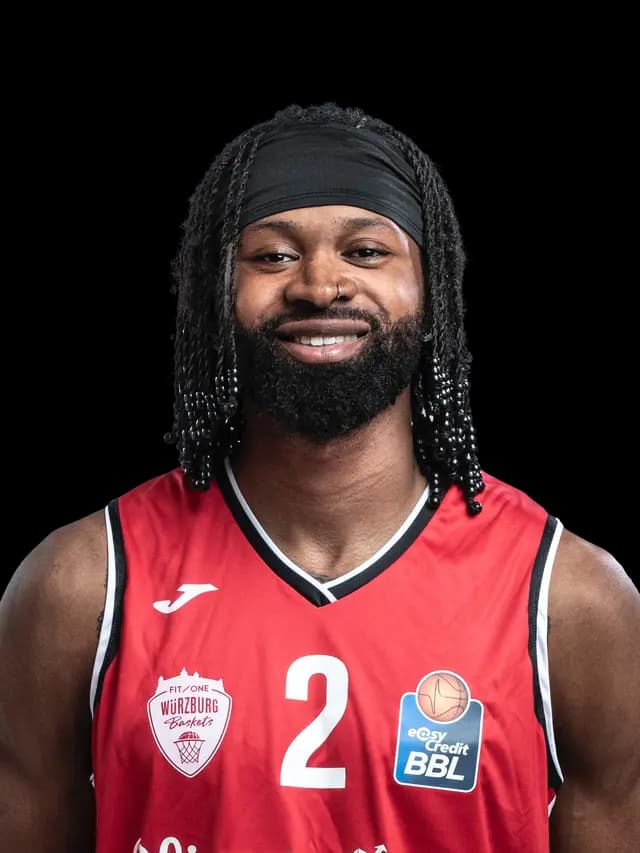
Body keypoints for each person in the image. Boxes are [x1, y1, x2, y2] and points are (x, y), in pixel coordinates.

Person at [1, 101, 638, 853]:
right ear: (214, 294)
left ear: (432, 288)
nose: (320, 284)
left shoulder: (570, 600)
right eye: (272, 256)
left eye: (366, 251)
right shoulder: (84, 585)